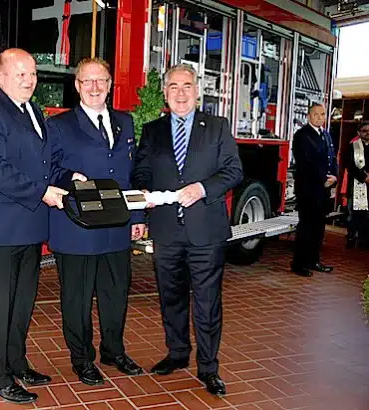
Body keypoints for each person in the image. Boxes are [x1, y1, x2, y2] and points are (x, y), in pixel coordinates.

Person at [0, 48, 81, 404]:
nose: (29, 80)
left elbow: (41, 164)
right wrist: (42, 192)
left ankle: (17, 362)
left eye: (32, 74)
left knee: (22, 302)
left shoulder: (33, 111)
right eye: (20, 74)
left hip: (28, 225)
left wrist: (67, 177)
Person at [131, 64, 243, 396]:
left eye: (187, 86)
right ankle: (177, 354)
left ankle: (209, 368)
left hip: (205, 231)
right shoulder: (152, 131)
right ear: (165, 93)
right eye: (174, 87)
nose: (181, 93)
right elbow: (140, 173)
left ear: (197, 91)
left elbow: (234, 171)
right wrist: (144, 198)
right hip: (166, 231)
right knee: (171, 298)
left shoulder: (218, 127)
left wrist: (204, 188)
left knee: (207, 303)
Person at [46, 58, 145, 386]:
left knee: (116, 292)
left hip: (117, 225)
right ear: (76, 86)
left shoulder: (125, 122)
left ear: (110, 84)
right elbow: (44, 168)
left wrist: (138, 215)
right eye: (87, 81)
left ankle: (113, 350)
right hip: (77, 227)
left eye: (100, 81)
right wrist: (67, 176)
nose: (94, 87)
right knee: (77, 296)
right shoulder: (59, 126)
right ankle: (82, 358)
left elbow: (133, 176)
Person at [291, 102, 338, 277]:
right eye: (316, 114)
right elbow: (305, 162)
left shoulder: (326, 135)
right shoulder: (302, 135)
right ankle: (299, 264)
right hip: (308, 189)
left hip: (323, 189)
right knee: (306, 227)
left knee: (318, 228)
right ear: (309, 116)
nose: (320, 117)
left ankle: (314, 261)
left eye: (323, 114)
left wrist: (334, 176)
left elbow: (332, 158)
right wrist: (322, 179)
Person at [345, 122, 369, 248]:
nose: (367, 133)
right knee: (353, 213)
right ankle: (352, 237)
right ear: (359, 132)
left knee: (367, 214)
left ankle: (364, 240)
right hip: (356, 184)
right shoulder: (353, 146)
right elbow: (350, 166)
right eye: (364, 131)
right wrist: (364, 177)